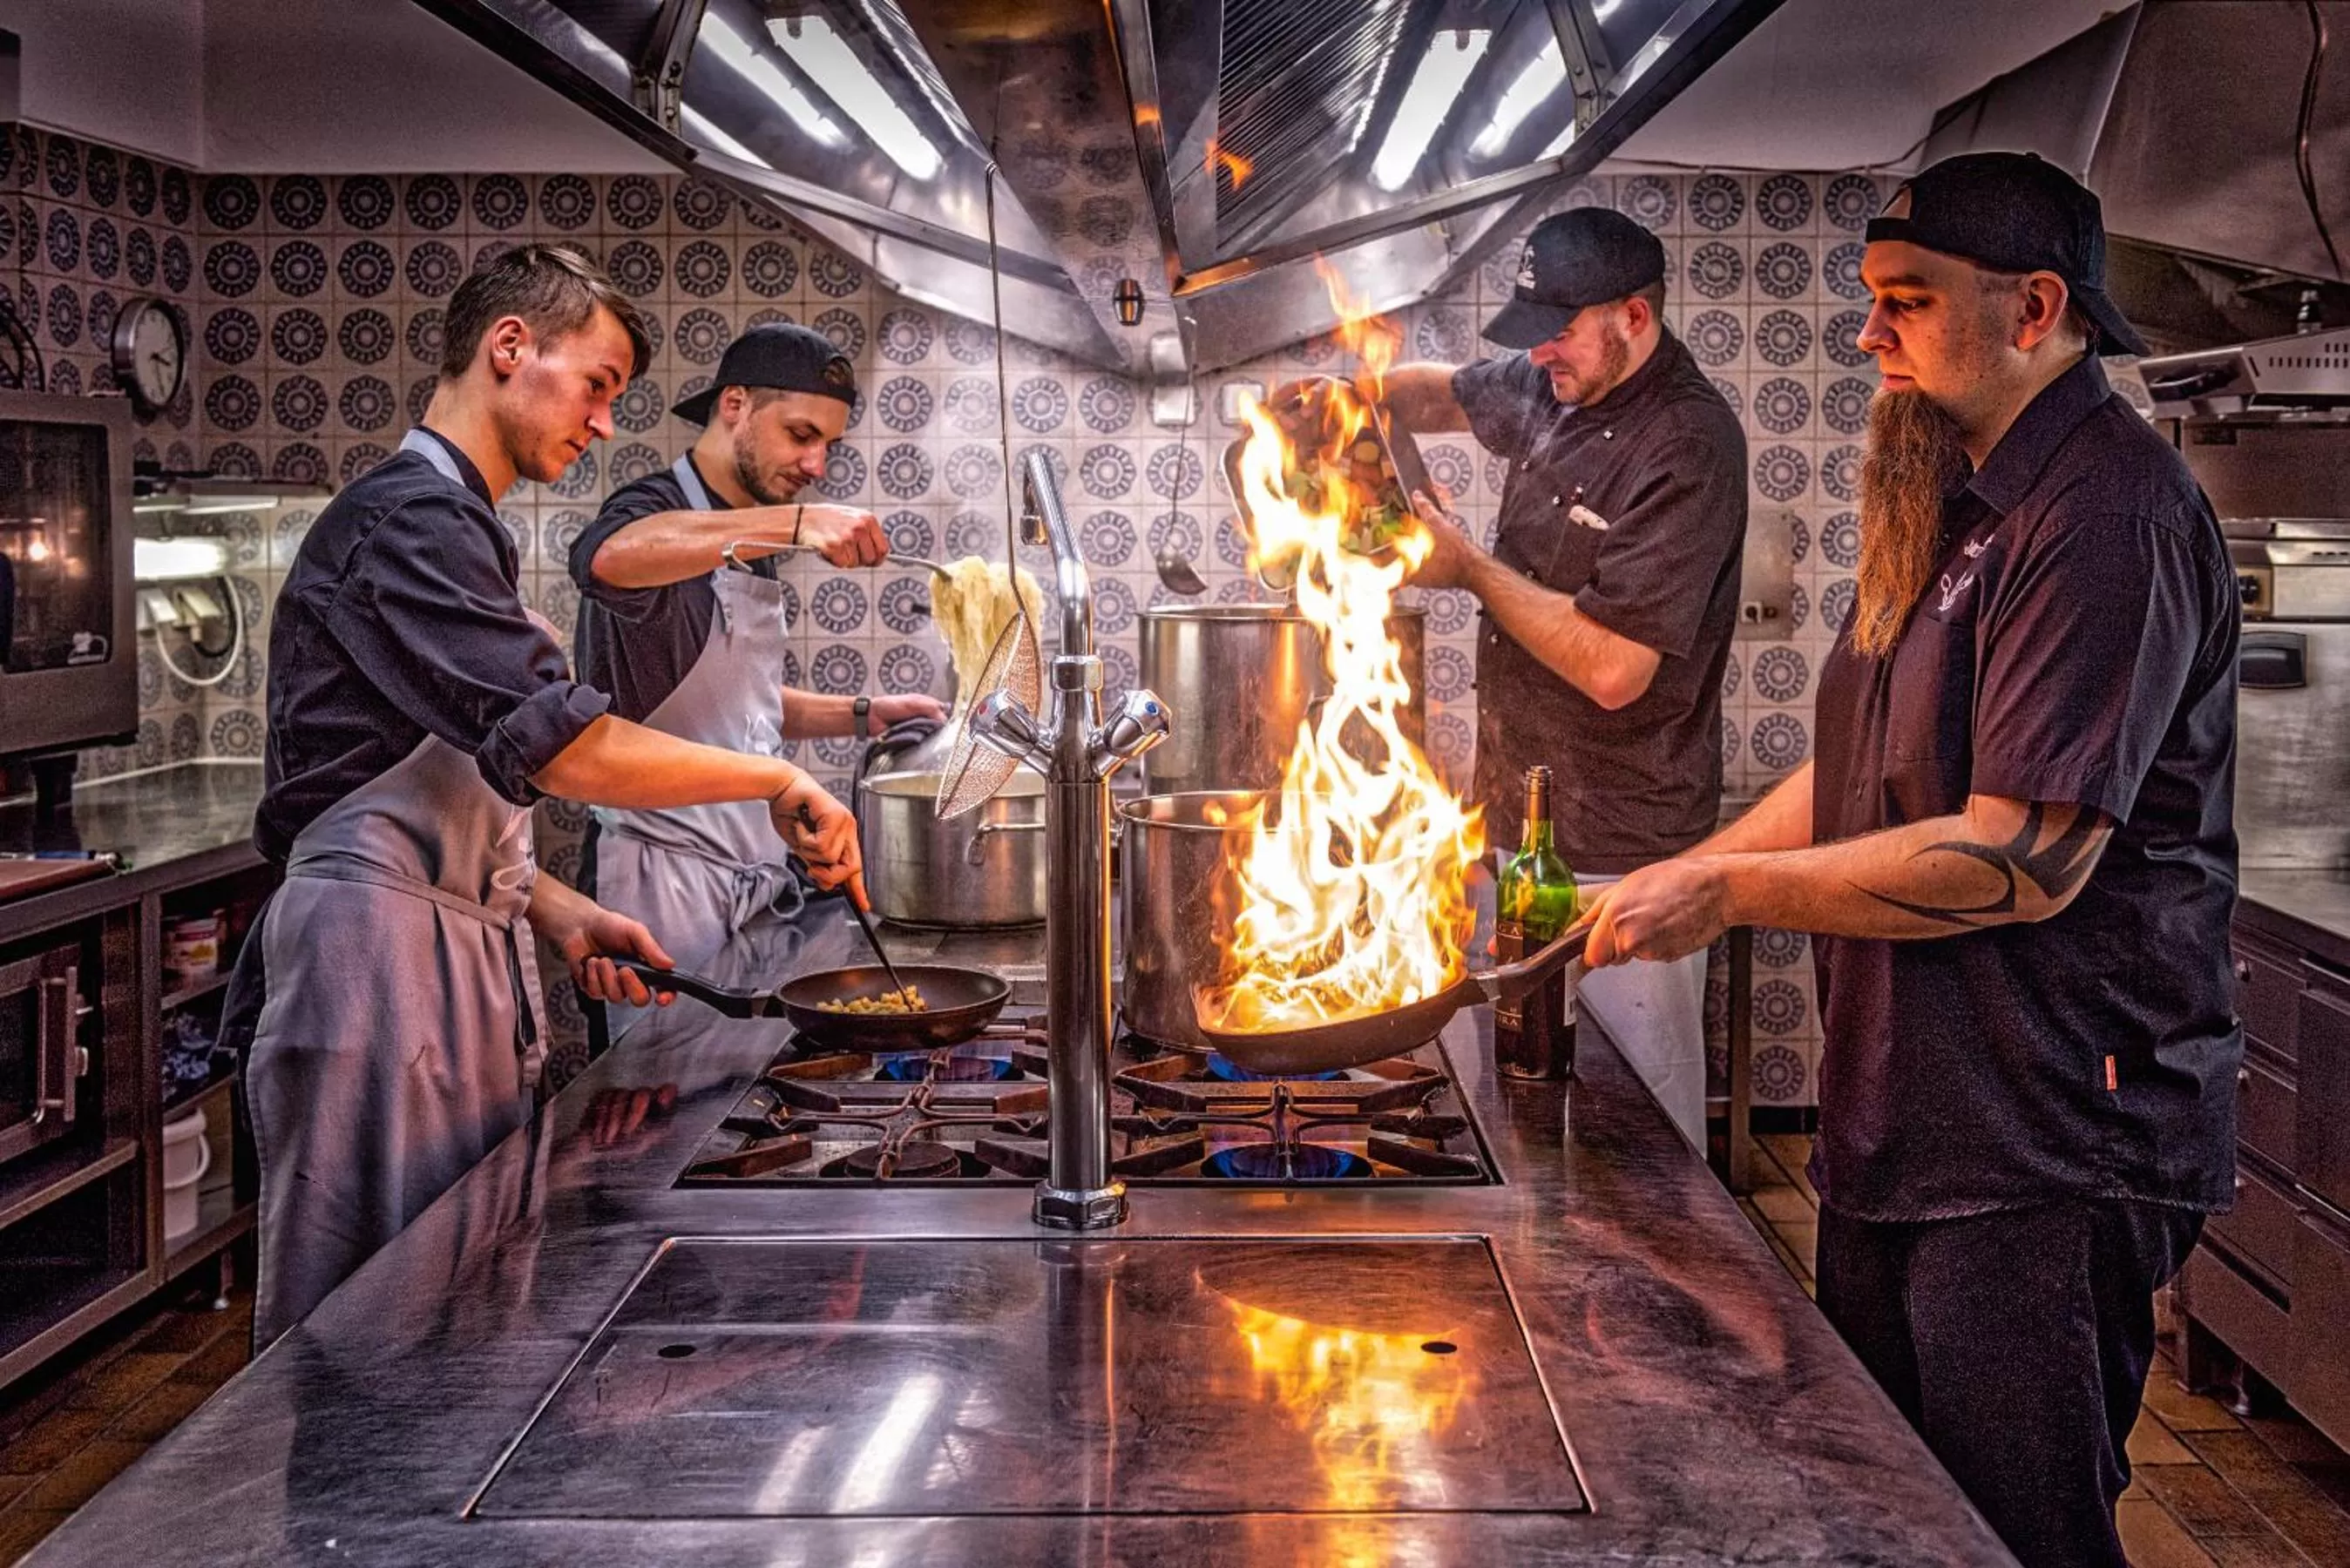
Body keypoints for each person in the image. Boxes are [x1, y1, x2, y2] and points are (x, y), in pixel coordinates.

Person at [1575, 153, 2239, 1568]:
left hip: (2047, 1143)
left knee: (2016, 1537)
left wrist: (1727, 894)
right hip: (1911, 1120)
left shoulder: (2104, 519)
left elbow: (2018, 859)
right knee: (1898, 1521)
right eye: (1870, 300)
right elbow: (1858, 765)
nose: (1864, 333)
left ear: (2033, 309)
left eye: (1903, 302)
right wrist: (1683, 880)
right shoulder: (1951, 495)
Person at [229, 245, 866, 1348]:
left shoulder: (456, 523)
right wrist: (775, 778)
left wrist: (557, 913)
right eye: (599, 385)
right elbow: (560, 749)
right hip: (376, 968)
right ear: (508, 348)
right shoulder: (409, 521)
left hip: (450, 946)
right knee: (366, 1328)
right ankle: (345, 1531)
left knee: (456, 1301)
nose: (606, 422)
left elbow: (453, 775)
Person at [1299, 206, 1748, 1146]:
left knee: (1638, 1131)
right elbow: (1434, 396)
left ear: (1633, 316)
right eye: (1533, 333)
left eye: (1561, 332)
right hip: (1513, 827)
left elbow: (1617, 669)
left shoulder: (1688, 443)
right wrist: (1347, 395)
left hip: (1619, 855)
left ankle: (1659, 1293)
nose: (1542, 353)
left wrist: (1467, 569)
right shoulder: (1554, 382)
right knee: (1522, 1104)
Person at [568, 323, 945, 1044]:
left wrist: (865, 712)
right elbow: (607, 559)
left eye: (828, 445)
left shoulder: (749, 534)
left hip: (747, 871)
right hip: (658, 884)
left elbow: (734, 709)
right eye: (802, 434)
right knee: (656, 1104)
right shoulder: (652, 511)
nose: (816, 463)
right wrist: (797, 524)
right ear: (734, 404)